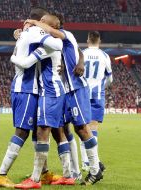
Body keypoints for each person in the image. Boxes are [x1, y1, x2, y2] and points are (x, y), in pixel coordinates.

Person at [25, 13, 102, 185]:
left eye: (45, 23)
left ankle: (95, 169)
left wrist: (35, 22)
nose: (42, 25)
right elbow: (79, 52)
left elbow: (60, 36)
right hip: (64, 91)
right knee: (65, 131)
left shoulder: (64, 34)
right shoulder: (56, 41)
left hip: (76, 88)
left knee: (82, 128)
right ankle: (72, 173)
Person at [0, 7, 64, 188]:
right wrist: (14, 57)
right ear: (41, 20)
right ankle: (1, 175)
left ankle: (44, 173)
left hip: (28, 88)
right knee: (22, 131)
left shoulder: (26, 32)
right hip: (26, 87)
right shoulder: (35, 31)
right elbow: (57, 44)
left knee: (35, 132)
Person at [79, 31, 112, 172]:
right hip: (98, 94)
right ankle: (94, 161)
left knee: (82, 128)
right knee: (93, 129)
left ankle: (86, 162)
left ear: (88, 40)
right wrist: (101, 87)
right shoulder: (105, 56)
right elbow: (110, 79)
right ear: (99, 41)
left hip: (83, 93)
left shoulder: (82, 53)